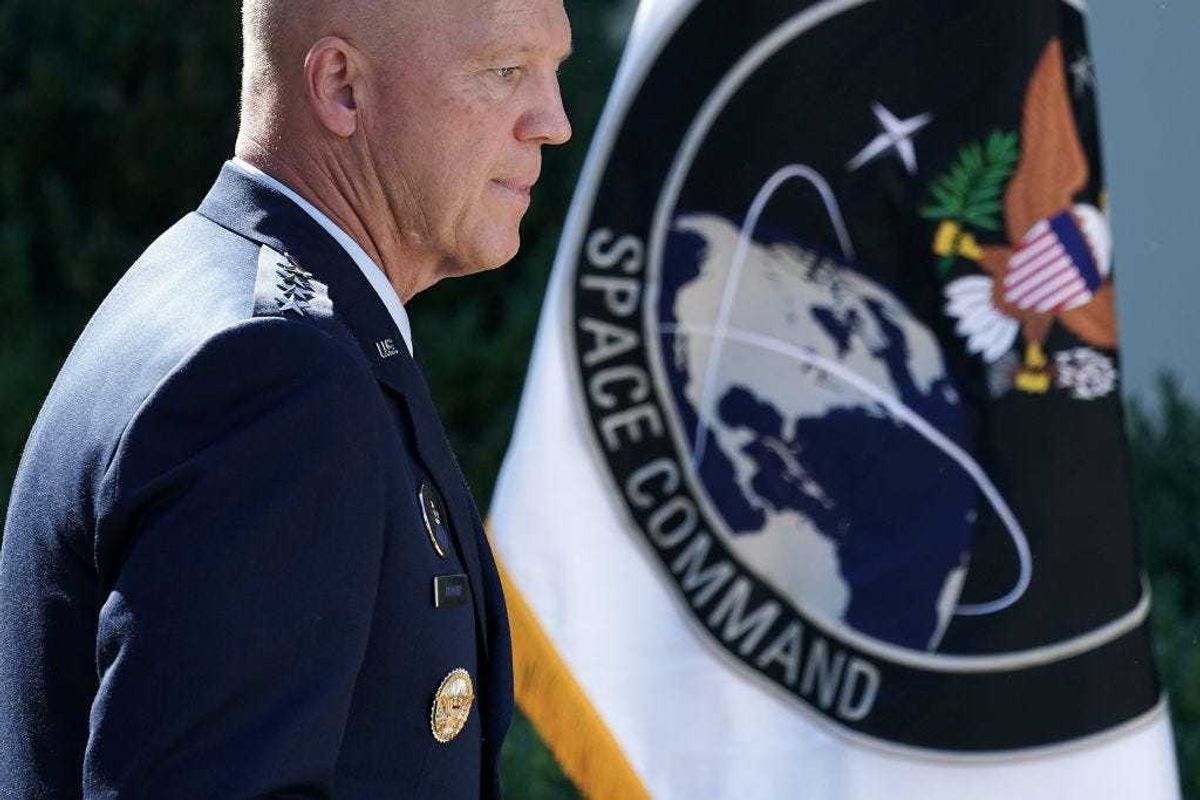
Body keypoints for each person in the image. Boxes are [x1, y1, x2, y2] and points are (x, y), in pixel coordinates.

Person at [0, 0, 572, 796]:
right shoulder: (275, 377)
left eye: (556, 71)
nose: (553, 122)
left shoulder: (232, 303)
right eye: (504, 72)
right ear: (341, 86)